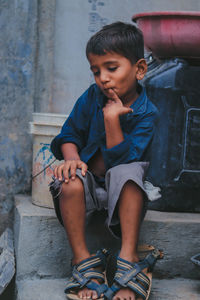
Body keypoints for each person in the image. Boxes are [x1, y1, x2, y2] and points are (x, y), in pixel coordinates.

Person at [50, 21, 161, 300]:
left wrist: (112, 120)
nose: (103, 78)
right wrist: (72, 160)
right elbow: (68, 135)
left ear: (139, 69)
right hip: (88, 187)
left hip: (123, 192)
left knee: (130, 174)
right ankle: (81, 259)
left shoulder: (147, 113)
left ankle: (128, 256)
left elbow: (123, 162)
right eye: (96, 70)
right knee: (69, 180)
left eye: (111, 68)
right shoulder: (91, 97)